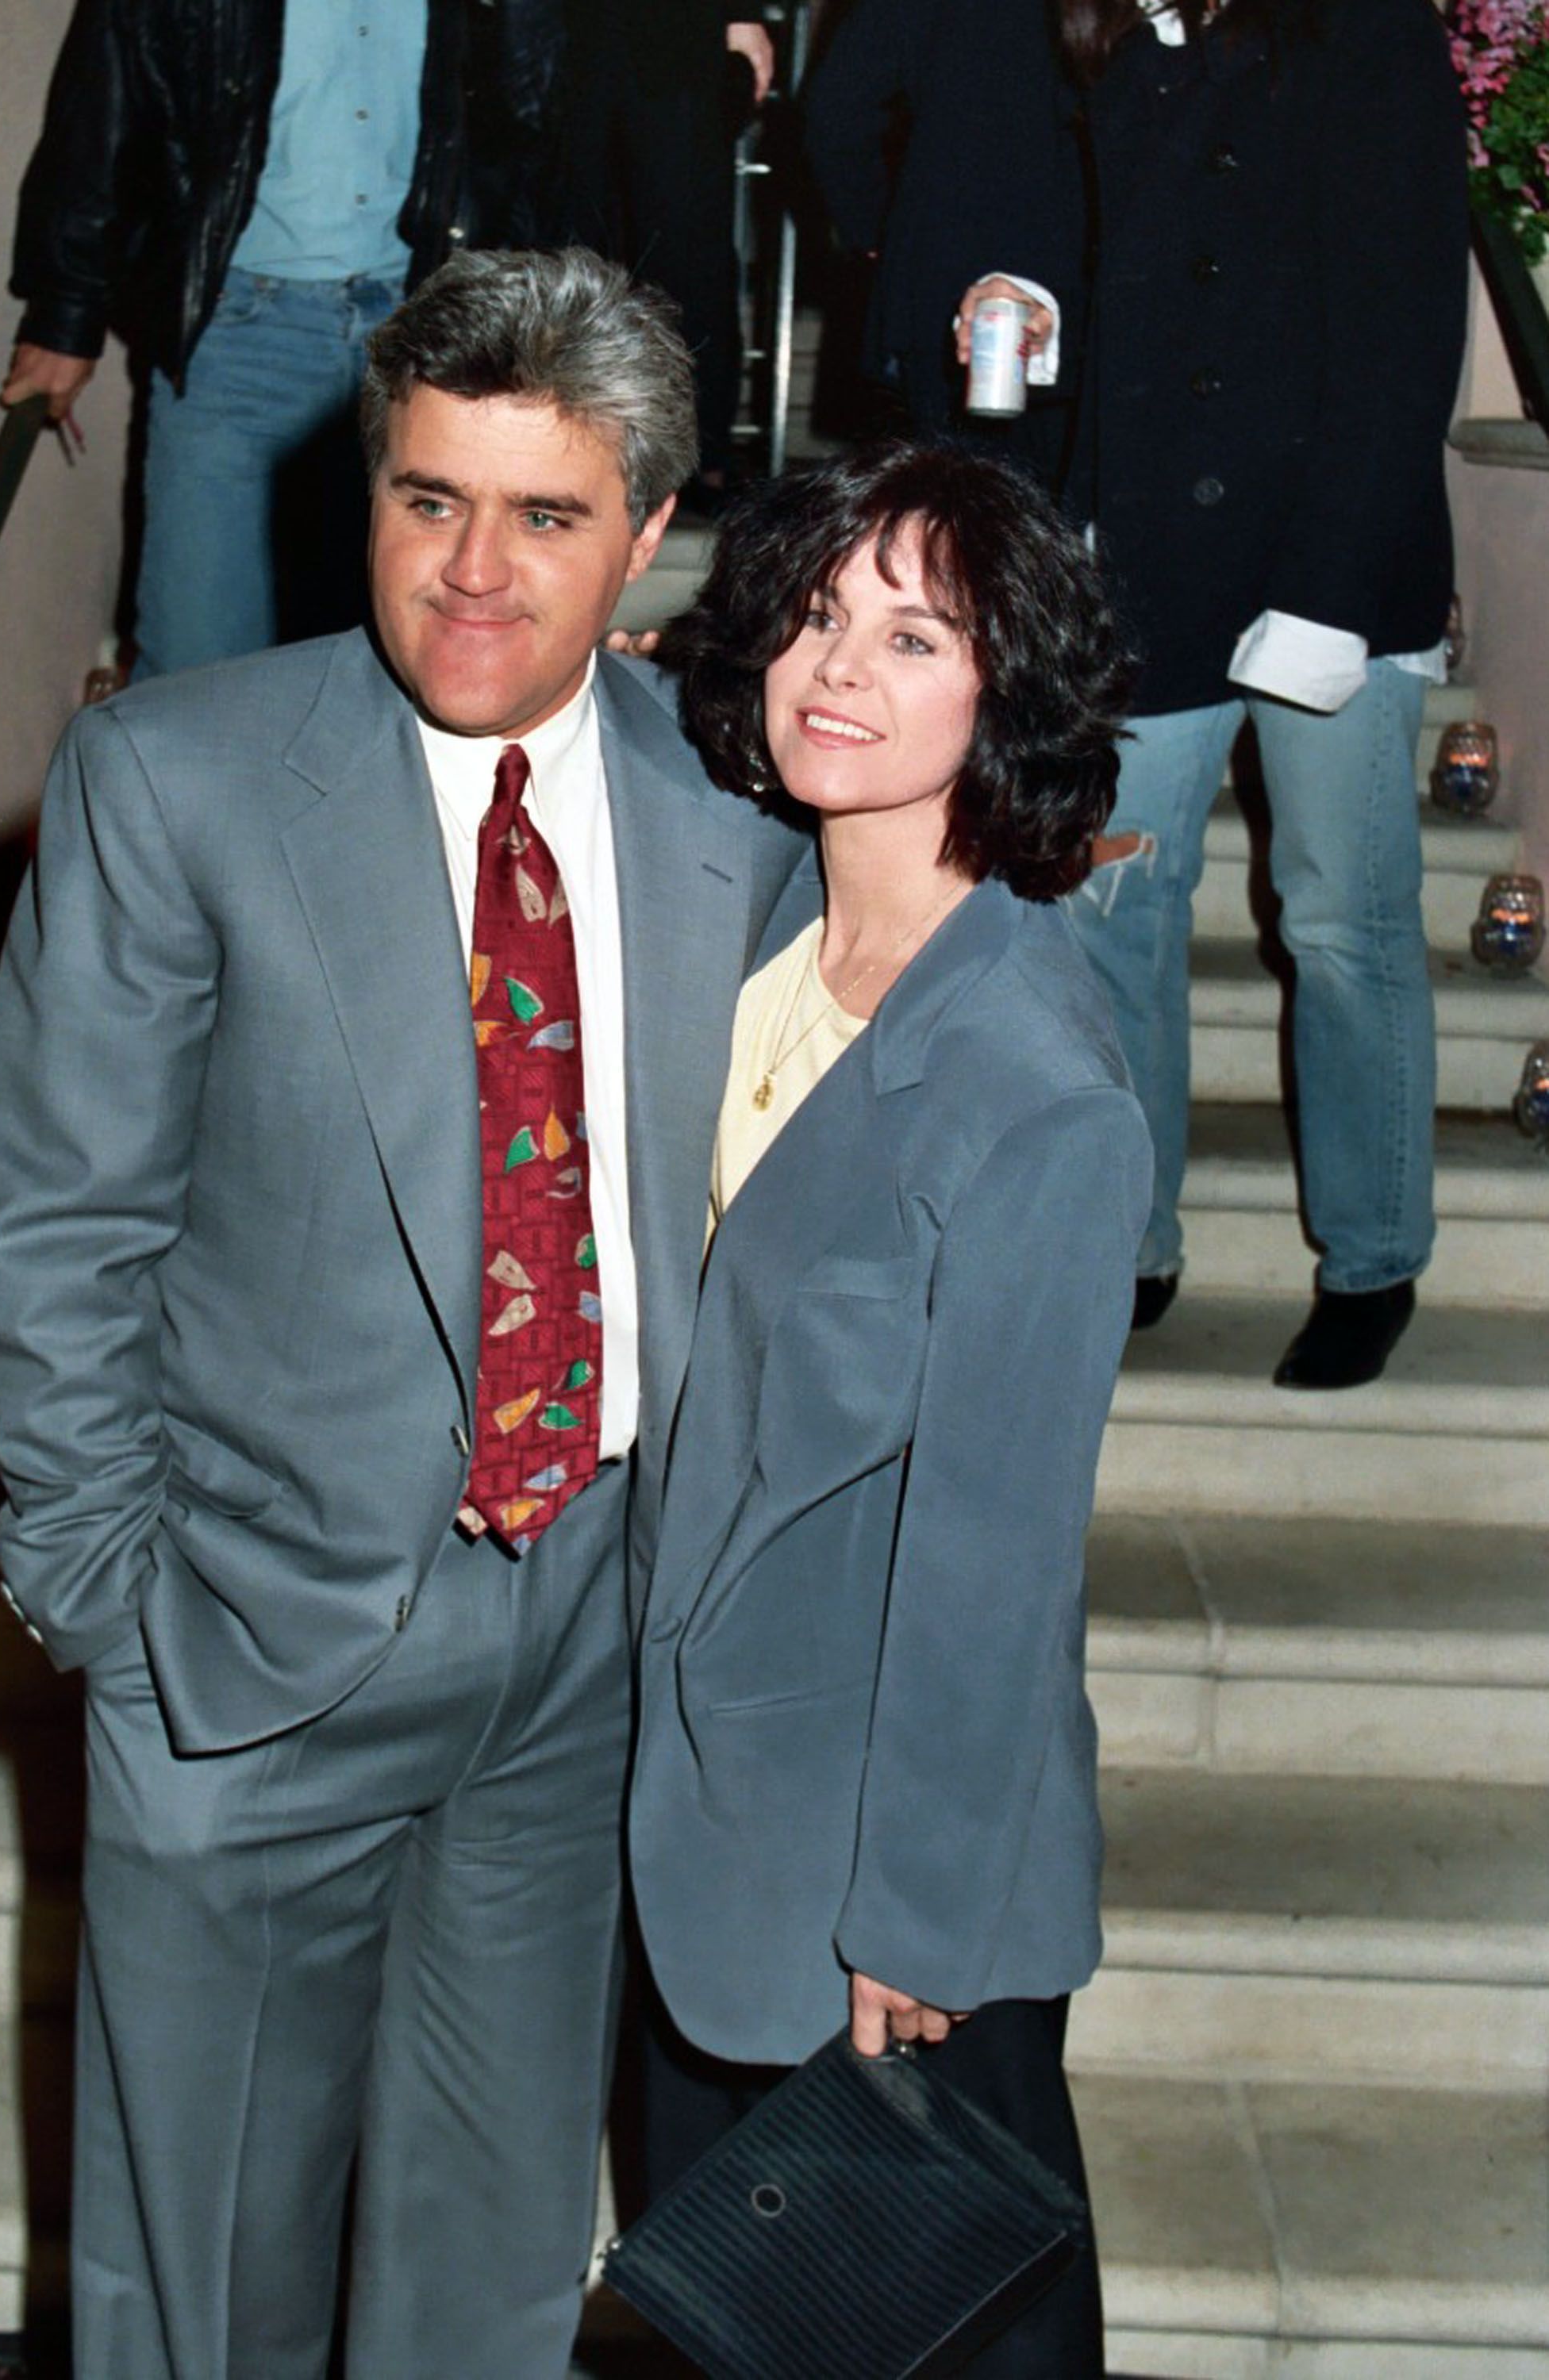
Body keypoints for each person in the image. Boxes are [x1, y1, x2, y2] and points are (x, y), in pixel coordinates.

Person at [0, 248, 803, 2380]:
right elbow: (51, 1230)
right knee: (204, 2284)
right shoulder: (179, 781)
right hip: (253, 1644)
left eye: (542, 517)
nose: (474, 577)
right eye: (426, 500)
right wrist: (111, 1605)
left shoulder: (738, 812)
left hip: (580, 1649)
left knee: (490, 2267)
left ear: (648, 532)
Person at [628, 439, 1151, 2377]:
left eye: (912, 634)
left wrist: (910, 1921)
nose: (836, 667)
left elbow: (993, 1555)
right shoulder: (764, 926)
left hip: (878, 1895)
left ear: (998, 691)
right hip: (704, 1827)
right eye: (819, 614)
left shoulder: (1033, 1081)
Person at [956, 0, 1469, 1387]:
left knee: (1341, 922)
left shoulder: (1364, 35)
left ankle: (1372, 1256)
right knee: (1113, 909)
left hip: (1327, 559)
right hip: (1153, 559)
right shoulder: (1123, 45)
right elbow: (1140, 286)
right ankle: (1130, 1241)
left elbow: (1402, 330)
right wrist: (1035, 312)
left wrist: (1327, 593)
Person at [2, 0, 563, 674]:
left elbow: (527, 130)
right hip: (241, 339)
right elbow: (103, 104)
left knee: (393, 666)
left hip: (427, 342)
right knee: (194, 666)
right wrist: (65, 315)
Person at [803, 0, 1082, 483]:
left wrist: (874, 231)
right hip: (1075, 269)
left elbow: (835, 111)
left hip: (940, 270)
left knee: (945, 503)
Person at [558, 0, 777, 507]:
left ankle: (700, 455)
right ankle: (581, 443)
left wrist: (741, 16)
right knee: (575, 247)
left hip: (676, 37)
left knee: (689, 248)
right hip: (566, 38)